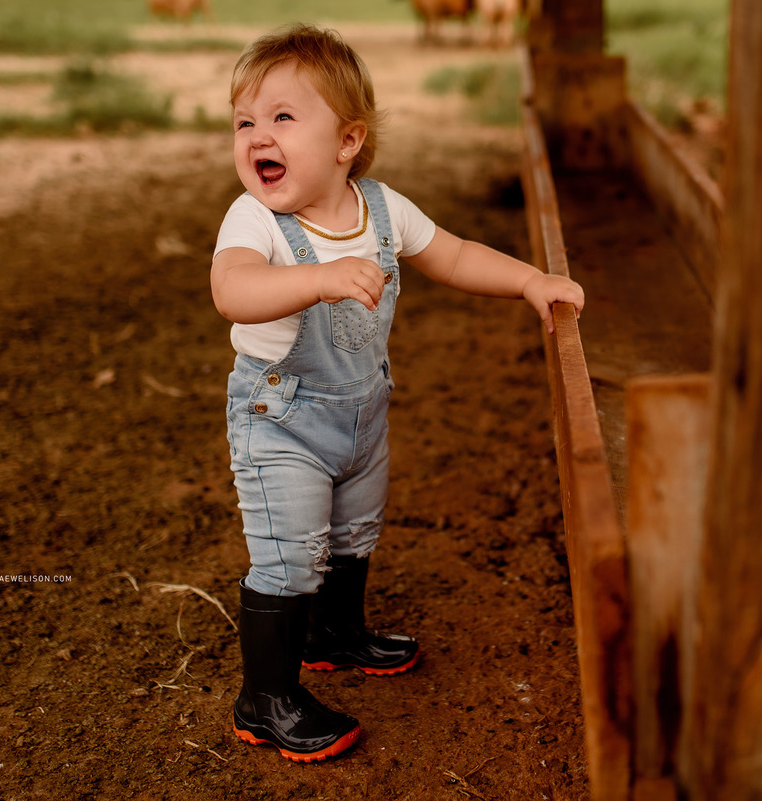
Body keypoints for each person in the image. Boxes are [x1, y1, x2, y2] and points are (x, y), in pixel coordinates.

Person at [210, 24, 585, 763]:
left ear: (347, 141)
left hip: (361, 415)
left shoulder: (380, 209)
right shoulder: (256, 220)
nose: (259, 135)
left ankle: (334, 633)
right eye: (245, 121)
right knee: (289, 555)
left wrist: (529, 282)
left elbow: (453, 255)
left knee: (353, 530)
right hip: (280, 422)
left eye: (284, 117)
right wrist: (315, 279)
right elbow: (233, 288)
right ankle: (266, 699)